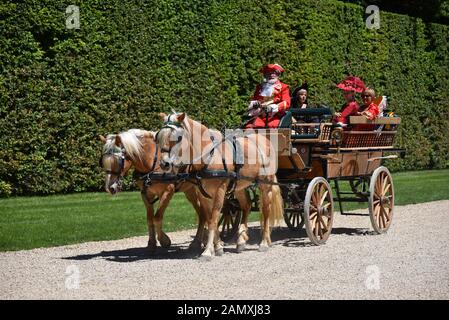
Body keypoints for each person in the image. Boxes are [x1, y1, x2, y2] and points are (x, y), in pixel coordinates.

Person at [245, 63, 290, 128]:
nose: (272, 75)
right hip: (260, 115)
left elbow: (286, 103)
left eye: (274, 73)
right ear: (265, 75)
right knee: (249, 127)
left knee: (271, 127)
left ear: (278, 75)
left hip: (276, 116)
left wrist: (272, 107)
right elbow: (254, 100)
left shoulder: (284, 87)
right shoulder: (259, 87)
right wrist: (255, 104)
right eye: (269, 73)